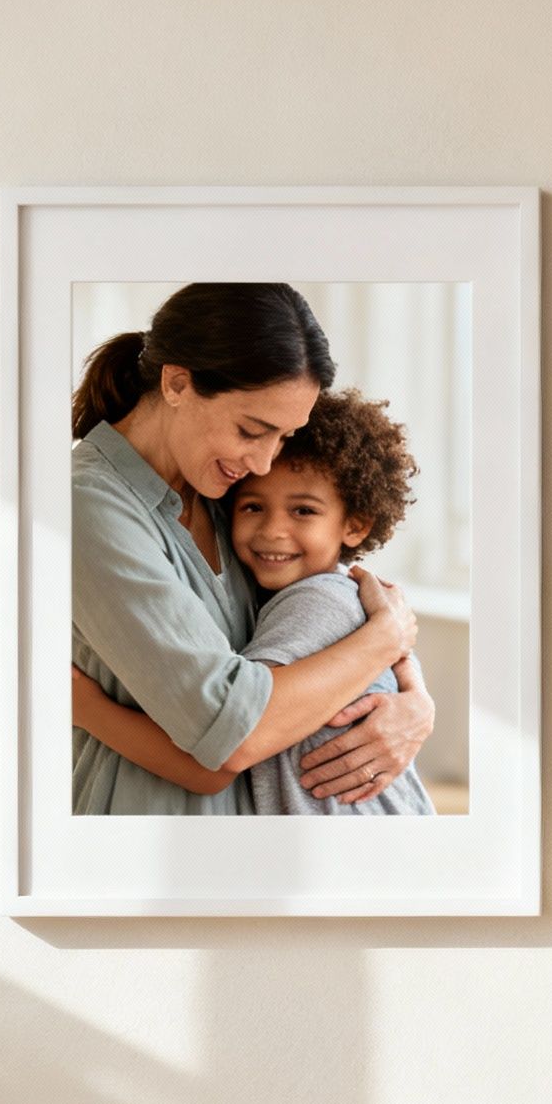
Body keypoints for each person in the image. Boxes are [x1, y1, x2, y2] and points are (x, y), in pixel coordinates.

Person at [70, 283, 431, 815]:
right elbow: (230, 733)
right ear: (176, 383)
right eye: (251, 430)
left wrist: (415, 702)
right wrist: (384, 639)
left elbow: (318, 617)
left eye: (283, 438)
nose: (264, 463)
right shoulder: (87, 506)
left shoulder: (223, 491)